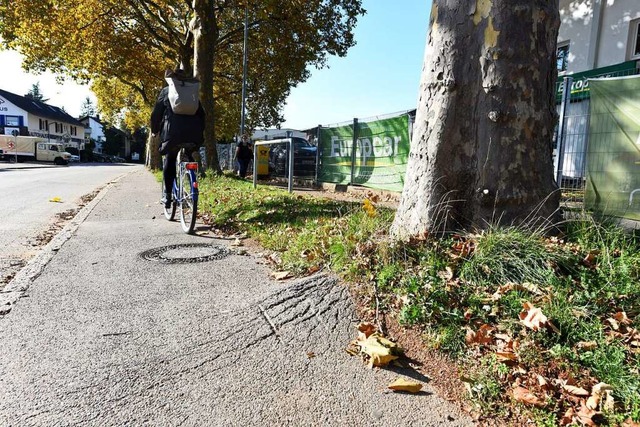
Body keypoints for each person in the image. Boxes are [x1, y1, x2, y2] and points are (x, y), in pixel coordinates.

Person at [150, 69, 205, 208]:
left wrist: (154, 131)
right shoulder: (192, 93)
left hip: (172, 135)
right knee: (189, 153)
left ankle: (168, 196)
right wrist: (200, 133)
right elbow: (202, 115)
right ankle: (191, 181)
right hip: (194, 133)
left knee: (170, 158)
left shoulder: (166, 91)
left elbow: (156, 114)